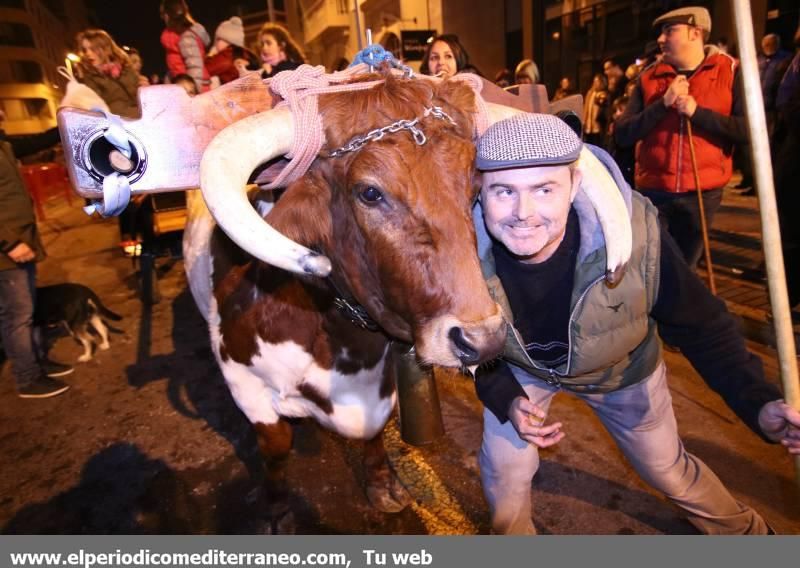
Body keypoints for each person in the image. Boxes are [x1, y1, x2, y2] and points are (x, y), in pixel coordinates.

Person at [471, 112, 800, 535]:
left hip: (621, 371)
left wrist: (760, 402)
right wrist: (506, 397)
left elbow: (701, 325)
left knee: (668, 470)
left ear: (573, 185)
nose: (523, 213)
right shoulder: (461, 250)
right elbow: (469, 342)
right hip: (520, 371)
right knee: (504, 472)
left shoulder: (637, 233)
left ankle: (748, 535)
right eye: (503, 191)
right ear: (481, 190)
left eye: (543, 189)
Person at [614, 6, 747, 269]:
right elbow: (623, 133)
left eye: (670, 31)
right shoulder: (649, 77)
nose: (661, 39)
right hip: (653, 193)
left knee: (686, 272)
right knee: (651, 269)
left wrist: (697, 113)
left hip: (701, 194)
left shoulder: (730, 71)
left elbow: (746, 130)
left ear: (695, 33)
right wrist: (663, 103)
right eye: (661, 33)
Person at [0, 111, 73, 398]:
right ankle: (27, 378)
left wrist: (70, 121)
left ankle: (37, 363)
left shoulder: (4, 144)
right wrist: (8, 244)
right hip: (8, 250)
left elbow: (36, 141)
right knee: (17, 316)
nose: (3, 112)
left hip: (22, 241)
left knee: (28, 310)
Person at [74, 29, 141, 118]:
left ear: (106, 48)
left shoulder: (126, 67)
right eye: (85, 50)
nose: (88, 53)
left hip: (143, 120)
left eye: (92, 49)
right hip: (120, 124)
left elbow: (141, 96)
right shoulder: (90, 77)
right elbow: (98, 108)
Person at [160, 0, 210, 93]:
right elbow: (176, 66)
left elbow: (195, 68)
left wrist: (192, 93)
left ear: (167, 16)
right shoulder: (178, 36)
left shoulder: (186, 36)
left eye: (163, 15)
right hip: (182, 87)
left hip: (191, 90)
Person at [205, 16, 259, 86]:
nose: (216, 44)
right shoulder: (246, 54)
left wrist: (210, 55)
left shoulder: (226, 55)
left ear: (228, 40)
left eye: (218, 39)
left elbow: (205, 70)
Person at [582, 73, 608, 147]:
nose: (595, 84)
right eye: (594, 82)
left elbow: (602, 103)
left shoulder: (604, 94)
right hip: (589, 124)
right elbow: (586, 107)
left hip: (598, 125)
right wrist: (584, 120)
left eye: (597, 82)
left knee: (597, 144)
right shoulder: (590, 93)